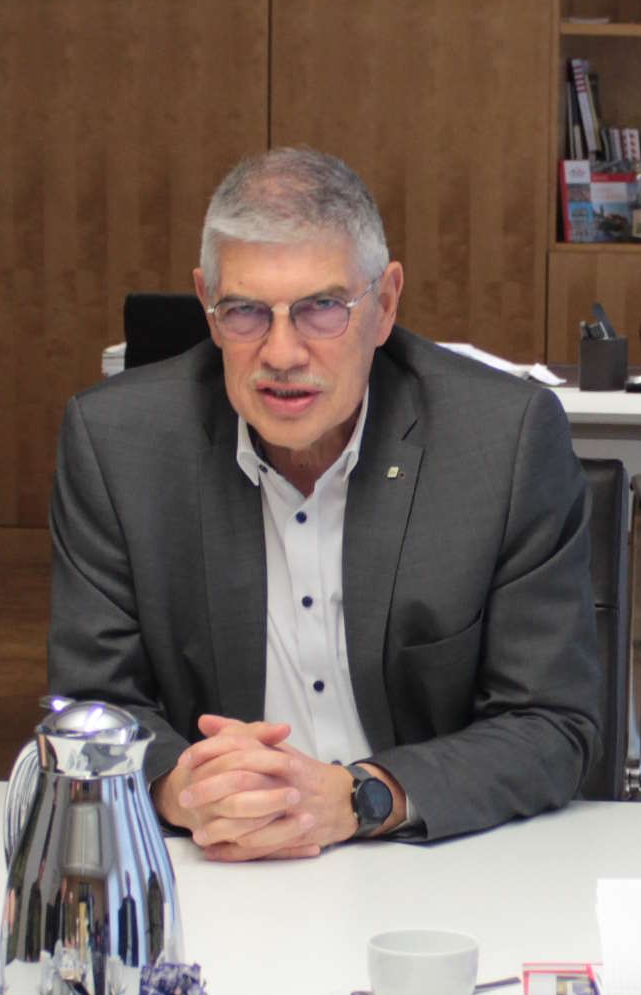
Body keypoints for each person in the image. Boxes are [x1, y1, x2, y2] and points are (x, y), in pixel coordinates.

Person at [47, 147, 600, 856]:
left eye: (321, 309)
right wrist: (176, 788)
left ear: (385, 304)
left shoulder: (503, 442)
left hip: (434, 857)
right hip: (213, 862)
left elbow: (552, 724)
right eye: (245, 312)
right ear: (208, 308)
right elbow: (92, 704)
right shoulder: (117, 444)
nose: (281, 354)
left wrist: (361, 797)